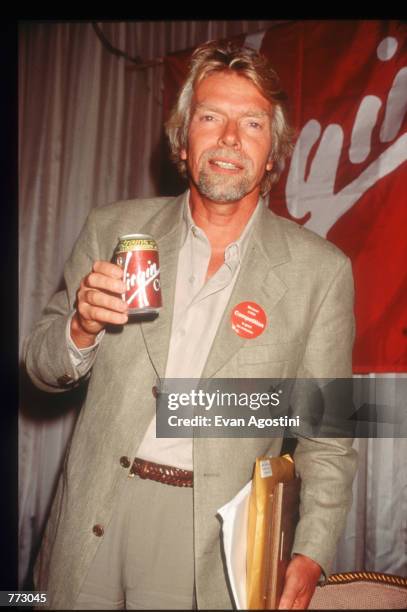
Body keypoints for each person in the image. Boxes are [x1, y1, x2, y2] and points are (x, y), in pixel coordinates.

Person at [24, 40, 358, 610]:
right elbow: (40, 367)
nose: (229, 138)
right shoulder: (114, 227)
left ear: (273, 151)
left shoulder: (321, 271)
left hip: (211, 540)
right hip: (92, 516)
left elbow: (328, 439)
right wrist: (80, 327)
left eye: (252, 123)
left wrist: (311, 553)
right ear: (183, 136)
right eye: (210, 117)